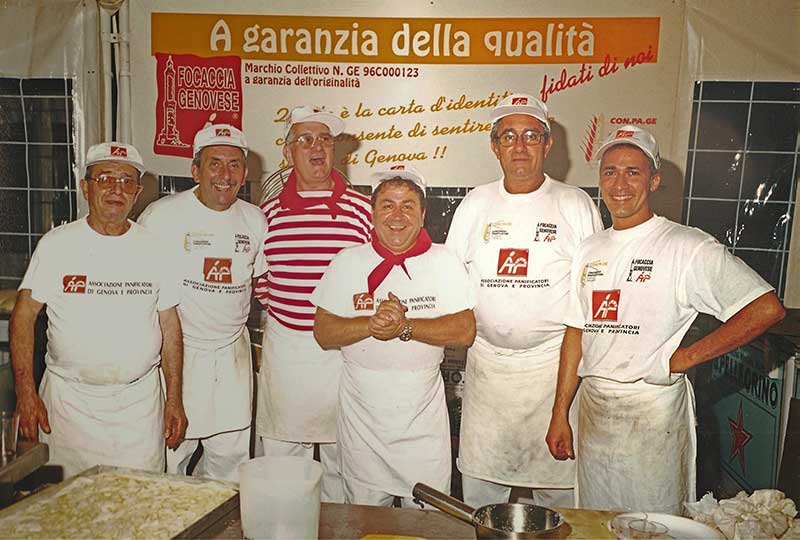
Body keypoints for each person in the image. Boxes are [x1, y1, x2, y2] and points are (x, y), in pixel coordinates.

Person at [546, 125, 786, 513]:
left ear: (655, 180)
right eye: (610, 172)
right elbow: (577, 333)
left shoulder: (685, 246)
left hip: (653, 415)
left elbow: (765, 308)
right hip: (594, 412)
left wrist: (686, 357)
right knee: (595, 524)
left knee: (654, 527)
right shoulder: (589, 249)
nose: (620, 183)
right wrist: (560, 413)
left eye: (633, 172)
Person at [445, 93, 603, 508]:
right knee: (482, 497)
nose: (520, 147)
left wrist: (567, 399)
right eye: (509, 137)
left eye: (531, 136)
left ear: (548, 145)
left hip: (554, 373)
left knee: (560, 501)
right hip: (488, 375)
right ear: (494, 146)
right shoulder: (476, 204)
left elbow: (592, 295)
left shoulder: (575, 204)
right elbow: (448, 281)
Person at [10, 142, 186, 478]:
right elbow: (23, 316)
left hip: (138, 411)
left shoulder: (157, 248)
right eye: (105, 178)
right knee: (65, 513)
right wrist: (26, 392)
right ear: (85, 187)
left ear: (137, 193)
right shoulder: (56, 244)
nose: (116, 190)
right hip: (68, 407)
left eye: (126, 182)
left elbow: (170, 325)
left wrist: (174, 397)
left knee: (138, 510)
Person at [311, 166, 477, 506]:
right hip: (362, 425)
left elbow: (465, 329)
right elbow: (323, 332)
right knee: (367, 523)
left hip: (422, 424)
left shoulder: (444, 261)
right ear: (372, 213)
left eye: (407, 205)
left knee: (427, 523)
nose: (397, 216)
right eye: (387, 205)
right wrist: (370, 325)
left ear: (423, 213)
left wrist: (405, 327)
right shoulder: (347, 262)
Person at [253, 105, 372, 502]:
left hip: (344, 351)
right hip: (287, 351)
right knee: (284, 463)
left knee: (344, 461)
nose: (316, 147)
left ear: (336, 151)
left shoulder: (361, 210)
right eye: (305, 139)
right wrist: (295, 318)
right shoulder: (266, 215)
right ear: (288, 153)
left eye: (324, 139)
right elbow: (262, 282)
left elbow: (373, 276)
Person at [138, 124, 266, 481]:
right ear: (195, 170)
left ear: (245, 173)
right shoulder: (161, 217)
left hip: (232, 360)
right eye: (215, 164)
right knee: (169, 463)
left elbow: (258, 285)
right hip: (178, 358)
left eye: (235, 165)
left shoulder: (255, 220)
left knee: (230, 466)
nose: (225, 175)